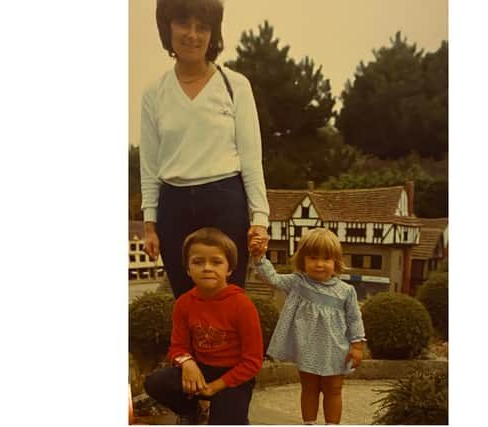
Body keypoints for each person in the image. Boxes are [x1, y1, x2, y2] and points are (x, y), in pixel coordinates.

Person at [140, 0, 269, 299]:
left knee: (228, 302)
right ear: (167, 26)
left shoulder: (235, 85)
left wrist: (259, 219)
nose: (192, 35)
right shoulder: (154, 93)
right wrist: (150, 225)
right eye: (184, 24)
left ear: (213, 34)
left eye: (202, 27)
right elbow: (149, 166)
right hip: (174, 208)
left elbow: (251, 159)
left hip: (225, 203)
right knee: (187, 304)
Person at [145, 227, 263, 425]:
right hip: (200, 370)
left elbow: (252, 362)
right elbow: (178, 347)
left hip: (234, 377)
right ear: (188, 269)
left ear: (230, 268)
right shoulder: (184, 303)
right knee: (156, 383)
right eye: (198, 262)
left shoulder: (242, 305)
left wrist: (215, 387)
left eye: (216, 262)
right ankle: (190, 411)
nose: (207, 268)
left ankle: (223, 410)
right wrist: (187, 363)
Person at [248, 228, 366, 425]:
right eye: (313, 258)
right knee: (309, 389)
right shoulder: (298, 282)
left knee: (334, 389)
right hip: (308, 348)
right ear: (302, 260)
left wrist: (357, 346)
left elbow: (355, 318)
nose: (319, 264)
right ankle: (309, 423)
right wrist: (260, 257)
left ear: (336, 262)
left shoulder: (346, 291)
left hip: (336, 349)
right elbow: (274, 279)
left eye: (326, 259)